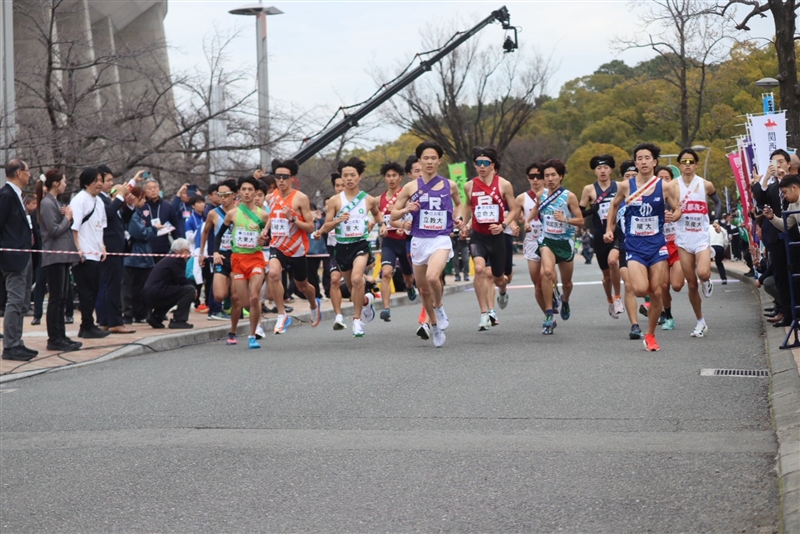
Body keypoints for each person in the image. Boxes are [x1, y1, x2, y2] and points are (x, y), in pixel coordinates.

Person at [604, 143, 682, 352]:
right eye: (639, 158)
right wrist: (609, 229)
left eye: (648, 158)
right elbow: (613, 206)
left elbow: (677, 209)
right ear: (635, 162)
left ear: (655, 162)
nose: (644, 161)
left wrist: (674, 216)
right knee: (639, 289)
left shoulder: (664, 186)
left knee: (657, 291)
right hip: (634, 245)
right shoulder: (625, 186)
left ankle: (650, 334)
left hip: (657, 244)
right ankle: (647, 305)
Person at [391, 141, 465, 348]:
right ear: (420, 161)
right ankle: (434, 325)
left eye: (434, 158)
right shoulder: (410, 187)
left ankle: (439, 307)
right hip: (419, 240)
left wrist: (459, 219)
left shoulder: (449, 185)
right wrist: (406, 210)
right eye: (426, 158)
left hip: (441, 238)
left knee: (433, 277)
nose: (430, 161)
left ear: (439, 161)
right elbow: (393, 215)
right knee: (423, 290)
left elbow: (459, 204)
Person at [319, 157, 381, 336]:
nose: (349, 179)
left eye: (352, 175)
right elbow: (326, 226)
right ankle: (366, 302)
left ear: (359, 177)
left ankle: (356, 320)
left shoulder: (368, 199)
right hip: (342, 247)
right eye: (345, 175)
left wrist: (382, 225)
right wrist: (338, 220)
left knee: (356, 279)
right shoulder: (334, 201)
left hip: (360, 244)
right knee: (353, 287)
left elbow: (377, 215)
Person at [525, 159, 584, 335]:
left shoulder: (569, 196)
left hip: (565, 242)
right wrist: (527, 222)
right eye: (546, 176)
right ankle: (549, 313)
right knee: (547, 273)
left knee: (566, 283)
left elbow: (581, 220)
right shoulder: (540, 195)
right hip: (547, 240)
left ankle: (565, 300)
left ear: (561, 177)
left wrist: (565, 219)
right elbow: (536, 209)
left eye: (553, 175)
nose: (549, 179)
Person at [462, 146, 518, 331]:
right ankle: (484, 313)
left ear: (493, 165)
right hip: (478, 236)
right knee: (479, 269)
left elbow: (515, 209)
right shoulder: (469, 185)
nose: (482, 166)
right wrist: (465, 225)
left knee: (499, 277)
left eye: (486, 163)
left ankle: (502, 291)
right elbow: (468, 207)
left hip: (497, 237)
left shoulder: (504, 184)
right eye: (479, 163)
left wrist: (503, 225)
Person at [213, 176, 272, 348]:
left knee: (254, 297)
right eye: (244, 190)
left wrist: (264, 241)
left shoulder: (263, 215)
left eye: (250, 190)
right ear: (239, 192)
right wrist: (216, 252)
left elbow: (269, 239)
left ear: (255, 193)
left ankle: (252, 335)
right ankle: (254, 320)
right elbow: (218, 235)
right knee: (245, 302)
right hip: (238, 261)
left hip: (255, 259)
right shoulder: (232, 214)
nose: (247, 193)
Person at [265, 159, 321, 334]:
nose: (281, 180)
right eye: (278, 177)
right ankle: (282, 314)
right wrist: (265, 230)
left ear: (292, 178)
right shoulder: (271, 197)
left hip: (296, 249)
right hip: (277, 245)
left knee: (303, 286)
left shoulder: (300, 198)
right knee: (273, 274)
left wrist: (294, 218)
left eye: (285, 177)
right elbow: (271, 218)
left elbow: (311, 227)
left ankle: (313, 304)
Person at [674, 147, 722, 338]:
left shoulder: (705, 184)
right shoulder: (672, 186)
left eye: (691, 162)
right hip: (683, 238)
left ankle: (707, 280)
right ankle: (700, 321)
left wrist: (716, 219)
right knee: (691, 284)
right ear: (679, 165)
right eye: (684, 162)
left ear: (696, 165)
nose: (687, 165)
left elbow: (717, 202)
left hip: (701, 236)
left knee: (702, 273)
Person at [37, 169, 82, 352]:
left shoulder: (54, 202)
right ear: (55, 183)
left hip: (62, 255)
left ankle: (61, 335)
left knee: (63, 297)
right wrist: (67, 218)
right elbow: (54, 230)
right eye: (63, 181)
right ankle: (54, 338)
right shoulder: (47, 203)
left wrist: (66, 217)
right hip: (54, 255)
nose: (65, 184)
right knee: (56, 298)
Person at [0, 159, 38, 361]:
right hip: (12, 256)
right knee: (14, 301)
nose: (29, 174)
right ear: (18, 173)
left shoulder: (18, 196)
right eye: (27, 170)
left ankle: (17, 341)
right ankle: (10, 346)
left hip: (24, 254)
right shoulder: (6, 195)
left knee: (23, 301)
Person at [752, 149, 792, 327]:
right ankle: (788, 314)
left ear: (788, 164)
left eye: (781, 161)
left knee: (795, 273)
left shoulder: (794, 183)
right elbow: (760, 201)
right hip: (777, 236)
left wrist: (786, 179)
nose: (779, 166)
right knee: (781, 276)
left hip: (794, 234)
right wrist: (765, 179)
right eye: (775, 163)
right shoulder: (772, 187)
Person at [580, 155, 623, 318]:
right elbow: (579, 213)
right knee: (606, 276)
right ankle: (610, 300)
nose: (602, 171)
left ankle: (618, 297)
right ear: (595, 171)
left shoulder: (620, 186)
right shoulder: (589, 190)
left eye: (605, 168)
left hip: (617, 231)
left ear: (611, 169)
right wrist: (593, 209)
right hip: (599, 234)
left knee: (613, 262)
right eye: (599, 168)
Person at [200, 179, 243, 343]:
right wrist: (203, 253)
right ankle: (226, 303)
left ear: (234, 195)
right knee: (219, 295)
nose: (222, 198)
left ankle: (232, 331)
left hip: (238, 257)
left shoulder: (241, 211)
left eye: (226, 195)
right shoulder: (213, 213)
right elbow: (205, 232)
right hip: (220, 257)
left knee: (236, 298)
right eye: (220, 195)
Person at [70, 167, 111, 339]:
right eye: (96, 181)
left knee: (93, 291)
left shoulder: (99, 202)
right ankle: (86, 325)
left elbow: (101, 227)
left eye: (101, 180)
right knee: (86, 292)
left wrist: (102, 246)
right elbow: (74, 228)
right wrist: (78, 249)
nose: (99, 184)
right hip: (84, 254)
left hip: (96, 252)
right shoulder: (80, 200)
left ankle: (89, 324)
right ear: (86, 182)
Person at [95, 165, 134, 334]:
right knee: (111, 285)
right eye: (108, 180)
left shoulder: (109, 199)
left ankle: (106, 320)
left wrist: (129, 205)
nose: (111, 183)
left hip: (116, 246)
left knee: (109, 284)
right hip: (108, 247)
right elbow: (109, 214)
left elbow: (120, 219)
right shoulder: (101, 199)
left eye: (112, 180)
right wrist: (119, 196)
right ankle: (114, 321)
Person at [377, 162, 417, 322]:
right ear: (385, 178)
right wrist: (380, 225)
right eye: (388, 176)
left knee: (408, 276)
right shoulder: (379, 199)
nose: (391, 179)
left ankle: (409, 287)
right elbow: (377, 217)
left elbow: (413, 215)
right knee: (386, 273)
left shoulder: (405, 195)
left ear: (400, 177)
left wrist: (402, 225)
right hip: (389, 242)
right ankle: (386, 309)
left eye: (394, 175)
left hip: (406, 241)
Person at [655, 165, 685, 331]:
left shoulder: (677, 196)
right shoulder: (650, 198)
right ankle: (668, 316)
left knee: (677, 285)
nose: (664, 181)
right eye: (660, 178)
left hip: (677, 245)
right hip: (660, 245)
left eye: (667, 178)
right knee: (664, 285)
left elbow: (680, 211)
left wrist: (674, 216)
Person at [143, 239, 196, 329]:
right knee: (189, 290)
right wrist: (194, 289)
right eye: (188, 252)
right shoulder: (177, 259)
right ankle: (179, 320)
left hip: (149, 294)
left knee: (176, 292)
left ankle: (156, 317)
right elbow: (181, 280)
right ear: (183, 251)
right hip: (157, 293)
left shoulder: (169, 258)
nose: (189, 256)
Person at [123, 186, 157, 325]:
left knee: (139, 288)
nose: (144, 201)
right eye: (142, 198)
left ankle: (139, 313)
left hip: (141, 257)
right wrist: (154, 228)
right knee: (132, 288)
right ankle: (130, 314)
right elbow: (141, 233)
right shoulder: (133, 215)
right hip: (135, 257)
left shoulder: (138, 213)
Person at [517, 161, 547, 315]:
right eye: (532, 176)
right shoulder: (522, 198)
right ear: (528, 178)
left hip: (550, 240)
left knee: (548, 274)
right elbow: (515, 215)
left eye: (539, 176)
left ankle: (553, 292)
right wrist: (522, 221)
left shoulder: (553, 194)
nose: (535, 180)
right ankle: (547, 315)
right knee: (538, 284)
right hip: (532, 241)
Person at [143, 179, 180, 260]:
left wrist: (178, 244)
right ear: (145, 191)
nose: (153, 190)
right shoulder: (141, 206)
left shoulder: (167, 206)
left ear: (159, 189)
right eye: (149, 188)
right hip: (146, 249)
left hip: (164, 248)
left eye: (155, 187)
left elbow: (175, 226)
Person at [710, 219, 729, 284]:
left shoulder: (708, 227)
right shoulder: (723, 229)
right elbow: (726, 241)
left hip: (710, 246)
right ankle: (723, 278)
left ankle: (706, 279)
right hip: (720, 247)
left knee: (707, 263)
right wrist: (724, 249)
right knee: (719, 263)